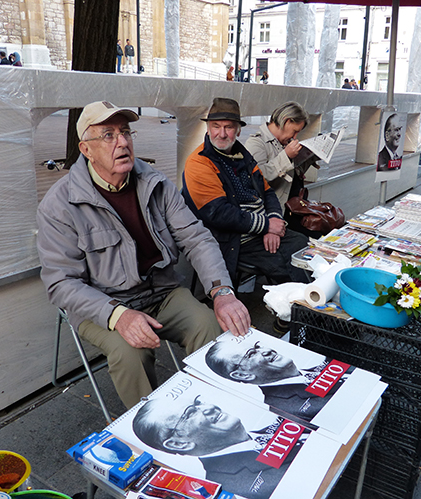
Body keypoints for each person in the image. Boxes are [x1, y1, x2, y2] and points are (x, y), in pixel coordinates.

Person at [36, 101, 250, 409]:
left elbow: (196, 237)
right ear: (86, 149)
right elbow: (61, 283)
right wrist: (118, 315)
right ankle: (155, 428)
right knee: (130, 353)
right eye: (108, 135)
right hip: (105, 304)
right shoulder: (60, 204)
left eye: (125, 132)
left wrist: (222, 291)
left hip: (161, 291)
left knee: (209, 326)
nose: (122, 142)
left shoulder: (155, 182)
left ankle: (211, 408)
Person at [181, 98, 309, 286]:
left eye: (229, 127)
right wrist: (266, 225)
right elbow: (219, 214)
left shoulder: (243, 155)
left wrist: (273, 222)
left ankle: (304, 305)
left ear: (238, 130)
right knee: (292, 266)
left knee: (303, 247)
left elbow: (267, 192)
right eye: (216, 126)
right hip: (232, 239)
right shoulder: (199, 162)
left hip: (258, 229)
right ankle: (303, 308)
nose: (222, 134)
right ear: (208, 128)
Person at [132, 395, 304, 499]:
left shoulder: (275, 418)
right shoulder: (233, 484)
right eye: (191, 412)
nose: (209, 407)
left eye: (198, 402)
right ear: (179, 443)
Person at [204, 337, 352, 420]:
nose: (267, 350)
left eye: (258, 346)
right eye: (252, 353)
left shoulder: (320, 361)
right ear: (242, 375)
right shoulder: (285, 408)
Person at [245, 102, 315, 229]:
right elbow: (256, 178)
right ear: (286, 121)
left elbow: (291, 174)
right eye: (294, 131)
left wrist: (311, 157)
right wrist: (286, 156)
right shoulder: (256, 142)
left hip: (295, 207)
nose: (294, 137)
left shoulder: (284, 142)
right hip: (275, 213)